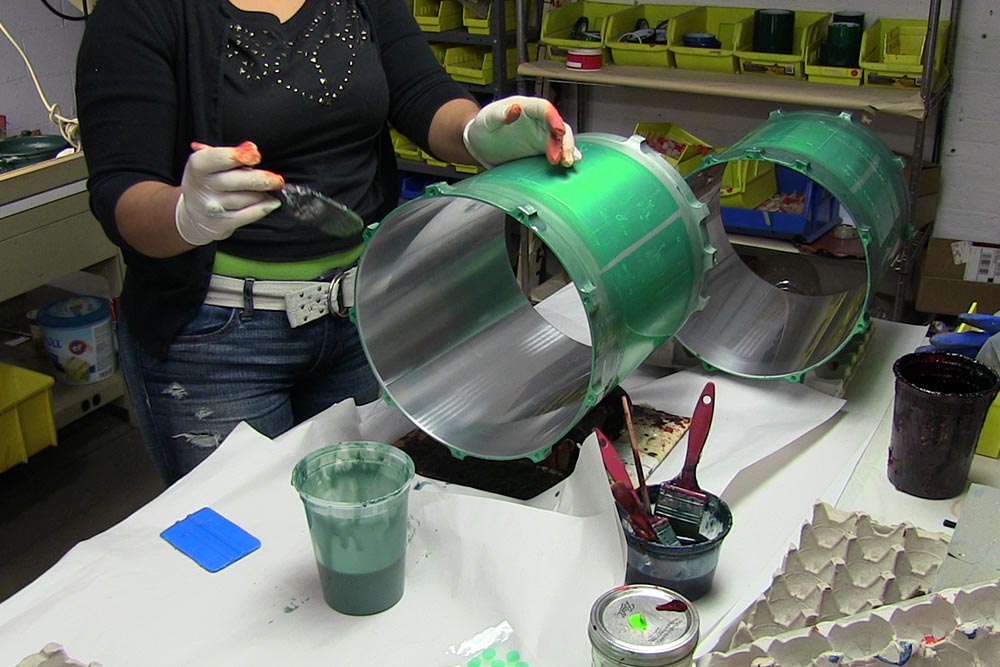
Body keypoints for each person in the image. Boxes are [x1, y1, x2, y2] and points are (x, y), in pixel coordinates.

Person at [75, 0, 581, 485]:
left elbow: (421, 93)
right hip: (217, 344)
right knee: (246, 533)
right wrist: (184, 215)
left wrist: (476, 132)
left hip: (362, 317)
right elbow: (121, 189)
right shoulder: (141, 11)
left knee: (362, 509)